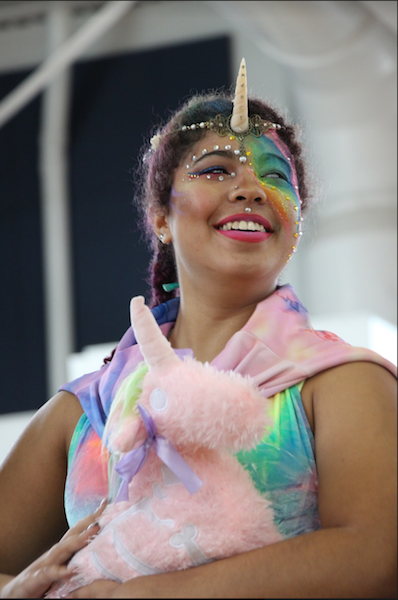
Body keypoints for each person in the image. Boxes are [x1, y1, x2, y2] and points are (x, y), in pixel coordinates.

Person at [0, 58, 396, 599]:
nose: (251, 188)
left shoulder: (344, 382)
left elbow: (378, 557)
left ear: (297, 222)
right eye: (216, 170)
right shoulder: (84, 412)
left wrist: (144, 595)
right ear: (161, 217)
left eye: (276, 178)